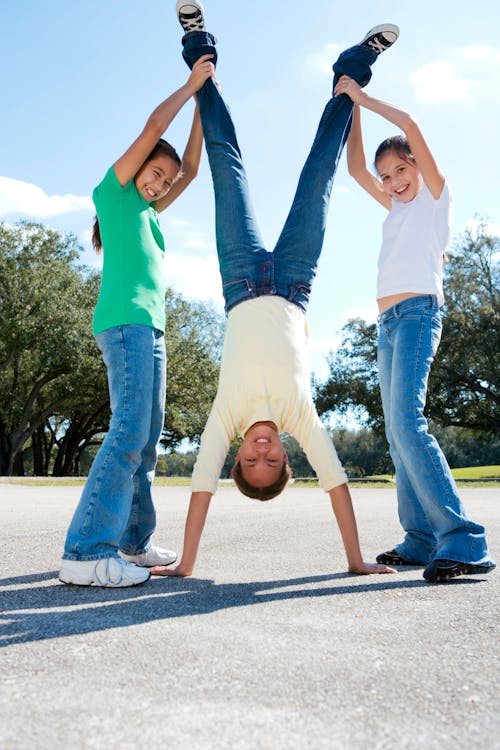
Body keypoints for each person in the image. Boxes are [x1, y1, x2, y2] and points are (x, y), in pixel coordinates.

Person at [152, 2, 401, 579]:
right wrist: (355, 561)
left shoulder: (225, 416)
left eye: (250, 460)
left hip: (239, 277)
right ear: (286, 457)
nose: (260, 452)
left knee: (226, 165)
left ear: (236, 454)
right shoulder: (302, 416)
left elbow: (198, 490)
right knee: (320, 174)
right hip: (295, 280)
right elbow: (338, 486)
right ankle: (353, 70)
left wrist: (187, 563)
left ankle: (198, 50)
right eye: (270, 460)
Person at [59, 55, 216, 587]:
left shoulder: (149, 211)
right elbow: (153, 129)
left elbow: (191, 168)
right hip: (124, 324)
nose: (162, 185)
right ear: (138, 167)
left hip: (151, 330)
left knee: (147, 438)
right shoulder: (115, 195)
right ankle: (85, 551)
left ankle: (132, 541)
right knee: (127, 432)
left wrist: (205, 102)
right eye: (155, 173)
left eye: (166, 182)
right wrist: (188, 84)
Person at [333, 73, 497, 582]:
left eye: (401, 169)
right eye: (388, 176)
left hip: (420, 314)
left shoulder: (434, 199)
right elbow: (355, 167)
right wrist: (348, 107)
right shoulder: (394, 207)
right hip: (387, 322)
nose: (394, 181)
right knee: (397, 433)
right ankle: (421, 538)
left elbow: (409, 122)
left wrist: (364, 97)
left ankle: (464, 541)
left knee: (409, 423)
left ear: (417, 167)